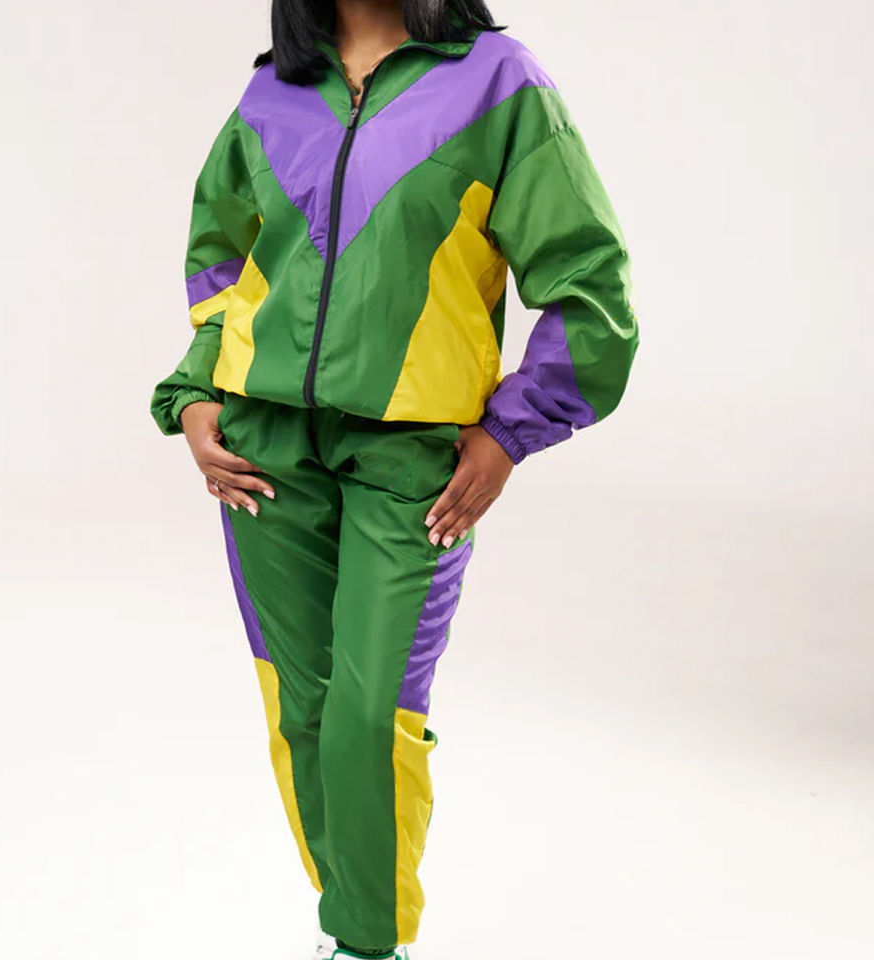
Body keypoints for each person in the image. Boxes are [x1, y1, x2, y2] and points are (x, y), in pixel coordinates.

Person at [150, 1, 639, 957]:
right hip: (262, 448)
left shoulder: (498, 82)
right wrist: (200, 387)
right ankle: (354, 935)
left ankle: (370, 944)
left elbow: (592, 285)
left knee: (372, 712)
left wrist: (510, 433)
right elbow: (225, 257)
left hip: (414, 455)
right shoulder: (273, 89)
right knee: (301, 708)